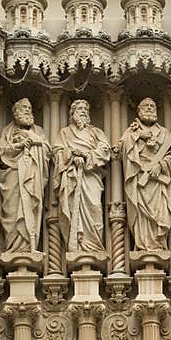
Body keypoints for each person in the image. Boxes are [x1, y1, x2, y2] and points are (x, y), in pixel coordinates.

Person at [119, 97, 171, 255]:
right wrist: (138, 137)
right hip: (139, 180)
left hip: (158, 182)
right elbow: (122, 149)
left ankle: (158, 245)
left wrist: (160, 166)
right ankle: (142, 244)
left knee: (160, 214)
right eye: (145, 106)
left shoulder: (165, 133)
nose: (149, 108)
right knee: (141, 214)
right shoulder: (132, 132)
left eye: (152, 106)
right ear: (138, 111)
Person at [55, 99, 111, 254]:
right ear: (72, 114)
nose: (83, 111)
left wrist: (87, 155)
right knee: (74, 209)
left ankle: (93, 245)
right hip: (73, 177)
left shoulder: (96, 132)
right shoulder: (65, 133)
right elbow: (57, 152)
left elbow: (105, 150)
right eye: (79, 109)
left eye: (85, 109)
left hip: (91, 175)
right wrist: (72, 156)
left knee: (94, 207)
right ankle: (77, 245)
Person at [0, 98, 50, 253]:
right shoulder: (7, 131)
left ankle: (29, 245)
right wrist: (18, 146)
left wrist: (33, 140)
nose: (28, 111)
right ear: (15, 111)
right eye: (24, 108)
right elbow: (0, 153)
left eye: (30, 108)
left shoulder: (38, 131)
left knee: (30, 208)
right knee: (12, 210)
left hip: (32, 177)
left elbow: (47, 151)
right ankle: (14, 246)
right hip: (12, 176)